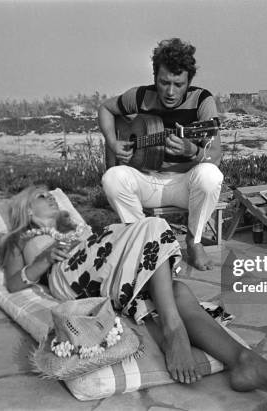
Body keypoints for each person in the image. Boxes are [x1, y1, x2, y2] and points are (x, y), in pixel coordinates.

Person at [0, 185, 267, 394]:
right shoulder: (20, 238)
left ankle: (244, 361)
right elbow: (14, 283)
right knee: (153, 227)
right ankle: (174, 330)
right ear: (26, 209)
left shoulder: (71, 224)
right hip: (70, 275)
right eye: (41, 195)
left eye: (50, 195)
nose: (51, 197)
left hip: (102, 264)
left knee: (177, 291)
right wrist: (43, 258)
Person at [99, 38, 223, 271]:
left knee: (210, 175)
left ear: (189, 81)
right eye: (164, 82)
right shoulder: (141, 96)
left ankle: (194, 241)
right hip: (147, 180)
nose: (170, 91)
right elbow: (105, 108)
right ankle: (144, 243)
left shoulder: (202, 101)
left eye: (178, 84)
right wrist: (113, 142)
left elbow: (215, 155)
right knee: (112, 178)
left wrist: (194, 151)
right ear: (155, 77)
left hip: (184, 186)